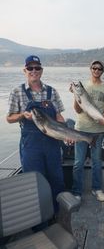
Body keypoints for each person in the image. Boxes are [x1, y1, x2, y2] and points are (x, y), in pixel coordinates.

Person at [6, 55, 65, 211]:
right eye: (30, 68)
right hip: (31, 146)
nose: (34, 71)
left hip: (53, 142)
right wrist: (21, 115)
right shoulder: (17, 92)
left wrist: (67, 133)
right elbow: (9, 118)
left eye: (37, 68)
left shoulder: (52, 92)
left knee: (57, 179)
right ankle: (39, 221)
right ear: (24, 70)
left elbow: (59, 116)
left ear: (42, 70)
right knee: (34, 181)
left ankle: (58, 214)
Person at [71, 60, 104, 202]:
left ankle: (97, 189)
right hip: (81, 130)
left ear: (102, 71)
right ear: (90, 69)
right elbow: (77, 109)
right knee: (78, 162)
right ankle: (77, 192)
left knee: (96, 162)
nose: (96, 70)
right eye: (94, 68)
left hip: (99, 130)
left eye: (99, 68)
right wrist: (76, 95)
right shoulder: (83, 87)